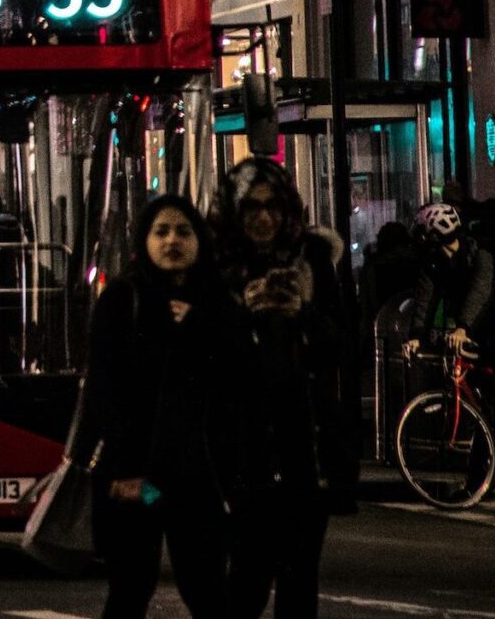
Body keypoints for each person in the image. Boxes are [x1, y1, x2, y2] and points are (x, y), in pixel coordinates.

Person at [80, 194, 242, 619]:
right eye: (161, 231)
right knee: (131, 586)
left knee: (207, 589)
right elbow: (105, 390)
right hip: (140, 480)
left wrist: (196, 326)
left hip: (197, 479)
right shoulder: (123, 299)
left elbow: (236, 379)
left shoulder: (216, 301)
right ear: (144, 239)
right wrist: (123, 469)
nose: (172, 241)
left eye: (184, 231)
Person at [215, 159, 356, 619]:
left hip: (305, 445)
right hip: (242, 446)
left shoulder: (312, 258)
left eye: (273, 206)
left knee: (299, 581)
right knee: (248, 579)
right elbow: (203, 356)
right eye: (252, 207)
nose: (263, 218)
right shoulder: (217, 265)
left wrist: (303, 313)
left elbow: (339, 346)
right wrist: (243, 314)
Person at [405, 200, 495, 428]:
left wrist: (462, 328)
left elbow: (480, 291)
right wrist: (416, 336)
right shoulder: (435, 262)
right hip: (468, 322)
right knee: (470, 379)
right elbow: (425, 300)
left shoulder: (480, 252)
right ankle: (485, 448)